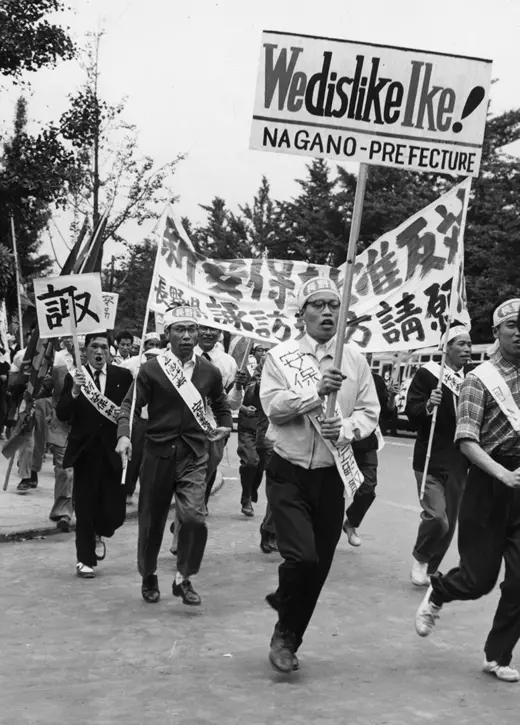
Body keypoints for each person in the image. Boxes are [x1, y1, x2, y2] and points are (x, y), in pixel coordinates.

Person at [260, 277, 380, 673]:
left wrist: (345, 430)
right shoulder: (281, 356)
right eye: (319, 305)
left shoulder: (356, 359)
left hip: (332, 477)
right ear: (302, 314)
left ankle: (288, 637)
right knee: (302, 556)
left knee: (320, 566)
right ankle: (284, 599)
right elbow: (273, 408)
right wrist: (316, 392)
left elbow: (369, 412)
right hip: (288, 471)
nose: (328, 312)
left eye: (334, 305)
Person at [415, 299, 520, 683]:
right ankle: (440, 591)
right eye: (513, 325)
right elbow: (466, 440)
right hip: (488, 483)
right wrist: (503, 475)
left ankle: (498, 655)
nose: (519, 332)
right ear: (497, 332)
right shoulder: (479, 379)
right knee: (479, 580)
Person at [116, 306, 232, 606]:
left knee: (194, 517)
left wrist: (225, 427)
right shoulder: (152, 369)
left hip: (194, 453)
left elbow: (221, 406)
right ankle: (149, 574)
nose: (186, 336)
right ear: (167, 334)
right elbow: (129, 406)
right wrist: (125, 436)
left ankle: (184, 577)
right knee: (151, 521)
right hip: (158, 453)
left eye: (191, 329)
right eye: (179, 330)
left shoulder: (209, 371)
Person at [56, 332, 133, 578]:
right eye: (94, 347)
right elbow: (62, 413)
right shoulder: (76, 377)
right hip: (85, 452)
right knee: (86, 506)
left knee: (115, 512)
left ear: (109, 351)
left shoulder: (123, 376)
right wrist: (76, 392)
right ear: (86, 350)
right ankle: (85, 559)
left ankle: (100, 532)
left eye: (103, 347)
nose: (99, 351)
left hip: (114, 451)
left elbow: (129, 411)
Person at [406, 325, 472, 586]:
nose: (467, 350)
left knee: (451, 520)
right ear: (447, 348)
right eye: (462, 345)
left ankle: (430, 569)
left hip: (459, 460)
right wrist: (427, 405)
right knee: (437, 518)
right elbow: (412, 412)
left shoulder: (473, 380)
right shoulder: (427, 374)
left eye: (469, 345)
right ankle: (420, 558)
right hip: (430, 457)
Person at [342, 363, 395, 547]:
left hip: (366, 442)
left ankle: (351, 523)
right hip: (338, 441)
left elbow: (387, 413)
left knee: (368, 489)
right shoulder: (337, 374)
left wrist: (392, 397)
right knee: (331, 492)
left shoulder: (376, 380)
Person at [195, 324, 245, 504]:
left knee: (209, 467)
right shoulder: (181, 355)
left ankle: (200, 504)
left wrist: (238, 387)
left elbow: (232, 404)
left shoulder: (228, 362)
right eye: (204, 328)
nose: (208, 333)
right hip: (184, 425)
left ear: (220, 333)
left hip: (215, 427)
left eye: (213, 329)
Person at [121, 335, 163, 505]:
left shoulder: (167, 374)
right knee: (133, 457)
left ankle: (149, 494)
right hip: (139, 420)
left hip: (157, 423)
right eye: (149, 357)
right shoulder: (132, 365)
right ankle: (127, 490)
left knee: (152, 461)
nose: (152, 361)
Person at [236, 344, 272, 517]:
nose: (264, 354)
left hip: (268, 428)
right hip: (249, 425)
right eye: (261, 351)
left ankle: (251, 490)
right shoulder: (247, 371)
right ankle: (246, 496)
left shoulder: (281, 375)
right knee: (250, 461)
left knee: (261, 466)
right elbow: (247, 395)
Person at [47, 336, 76, 531]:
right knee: (65, 469)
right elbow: (47, 386)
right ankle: (63, 512)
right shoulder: (57, 360)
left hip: (85, 425)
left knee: (79, 471)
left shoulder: (103, 364)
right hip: (60, 422)